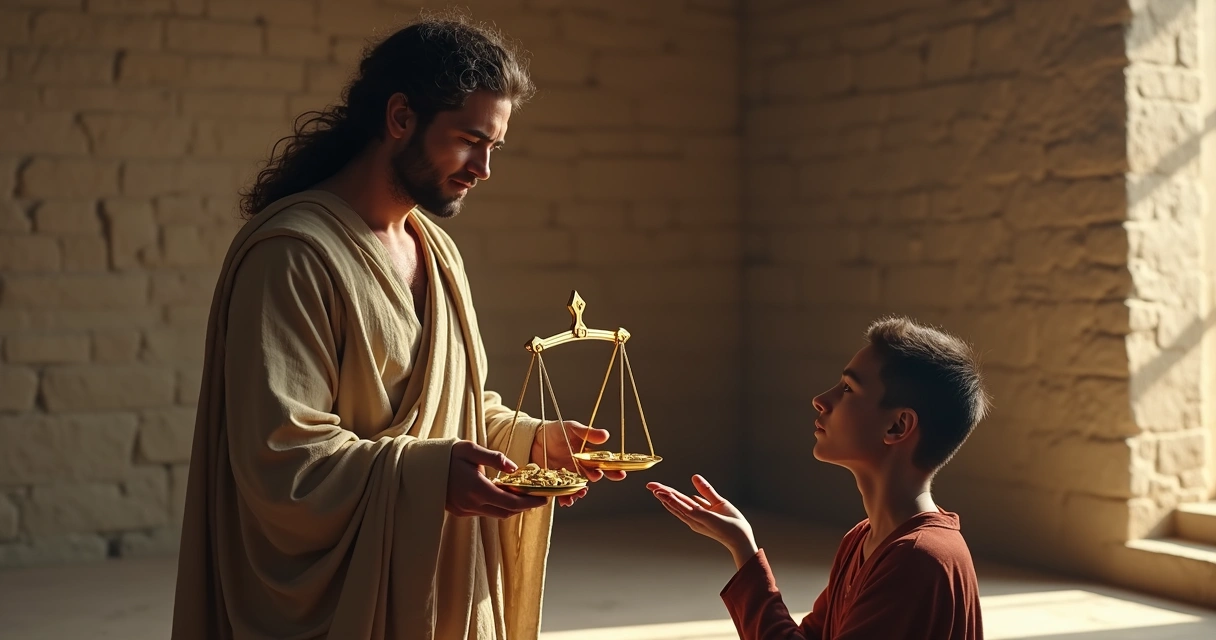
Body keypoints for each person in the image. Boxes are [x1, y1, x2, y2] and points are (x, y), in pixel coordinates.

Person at [172, 14, 624, 640]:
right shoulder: (292, 254)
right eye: (470, 140)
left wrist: (532, 442)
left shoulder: (436, 251)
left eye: (494, 147)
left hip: (437, 585)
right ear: (400, 118)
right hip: (338, 601)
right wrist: (432, 476)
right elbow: (284, 459)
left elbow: (456, 409)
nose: (483, 169)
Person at [648, 317, 989, 639]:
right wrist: (742, 546)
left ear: (897, 426)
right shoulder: (864, 539)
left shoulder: (918, 558)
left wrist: (746, 554)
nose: (821, 400)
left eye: (848, 388)